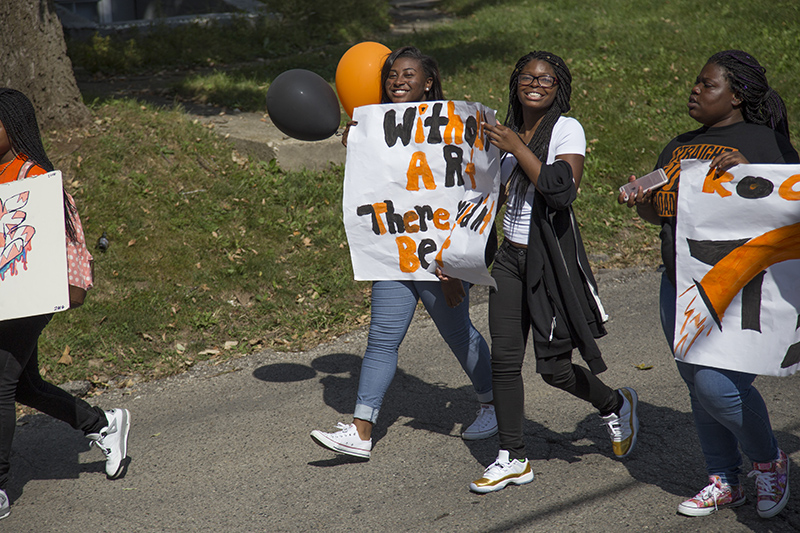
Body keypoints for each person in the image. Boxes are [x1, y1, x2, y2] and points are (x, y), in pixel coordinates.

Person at [619, 50, 797, 518]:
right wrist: (642, 199)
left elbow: (789, 203)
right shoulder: (678, 147)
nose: (695, 90)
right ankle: (724, 479)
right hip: (678, 286)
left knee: (717, 386)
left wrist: (748, 173)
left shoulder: (764, 143)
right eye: (696, 83)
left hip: (743, 289)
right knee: (697, 383)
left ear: (736, 96)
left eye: (707, 84)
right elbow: (661, 215)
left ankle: (768, 460)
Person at [310, 46, 496, 459]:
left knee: (458, 333)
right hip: (394, 254)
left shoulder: (452, 124)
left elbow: (469, 189)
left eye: (409, 75)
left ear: (428, 81)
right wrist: (358, 144)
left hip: (440, 259)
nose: (398, 81)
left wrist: (453, 264)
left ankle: (494, 403)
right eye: (392, 74)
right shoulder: (375, 125)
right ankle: (361, 431)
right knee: (380, 340)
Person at [469, 51, 639, 494]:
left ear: (558, 86)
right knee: (503, 362)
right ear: (515, 82)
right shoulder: (506, 131)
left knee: (554, 370)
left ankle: (614, 403)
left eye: (546, 80)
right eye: (528, 77)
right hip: (509, 259)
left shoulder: (566, 128)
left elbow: (561, 191)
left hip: (549, 263)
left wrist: (518, 148)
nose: (536, 84)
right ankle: (512, 457)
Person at [0, 88, 130, 520]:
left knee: (1, 381)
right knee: (23, 385)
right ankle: (102, 425)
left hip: (27, 297)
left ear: (13, 129)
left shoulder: (32, 177)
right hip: (3, 296)